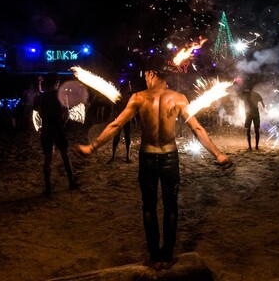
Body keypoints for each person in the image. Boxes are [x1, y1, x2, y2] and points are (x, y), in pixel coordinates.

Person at [75, 55, 233, 271]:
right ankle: (167, 257)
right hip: (170, 158)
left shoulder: (139, 98)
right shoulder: (178, 98)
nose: (145, 79)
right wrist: (218, 154)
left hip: (147, 159)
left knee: (149, 207)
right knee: (171, 207)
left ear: (151, 74)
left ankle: (155, 257)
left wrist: (91, 147)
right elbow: (197, 128)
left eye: (146, 75)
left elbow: (115, 126)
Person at [36, 72, 78, 196]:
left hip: (46, 129)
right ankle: (71, 182)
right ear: (56, 83)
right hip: (57, 128)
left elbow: (40, 113)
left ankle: (48, 189)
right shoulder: (60, 96)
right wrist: (62, 125)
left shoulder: (42, 97)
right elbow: (66, 114)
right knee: (65, 155)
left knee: (47, 159)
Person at [108, 83, 133, 164]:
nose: (130, 87)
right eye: (129, 86)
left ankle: (127, 156)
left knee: (127, 137)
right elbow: (114, 108)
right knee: (118, 137)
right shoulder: (119, 97)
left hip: (125, 119)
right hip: (120, 119)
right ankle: (114, 156)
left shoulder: (129, 97)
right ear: (125, 88)